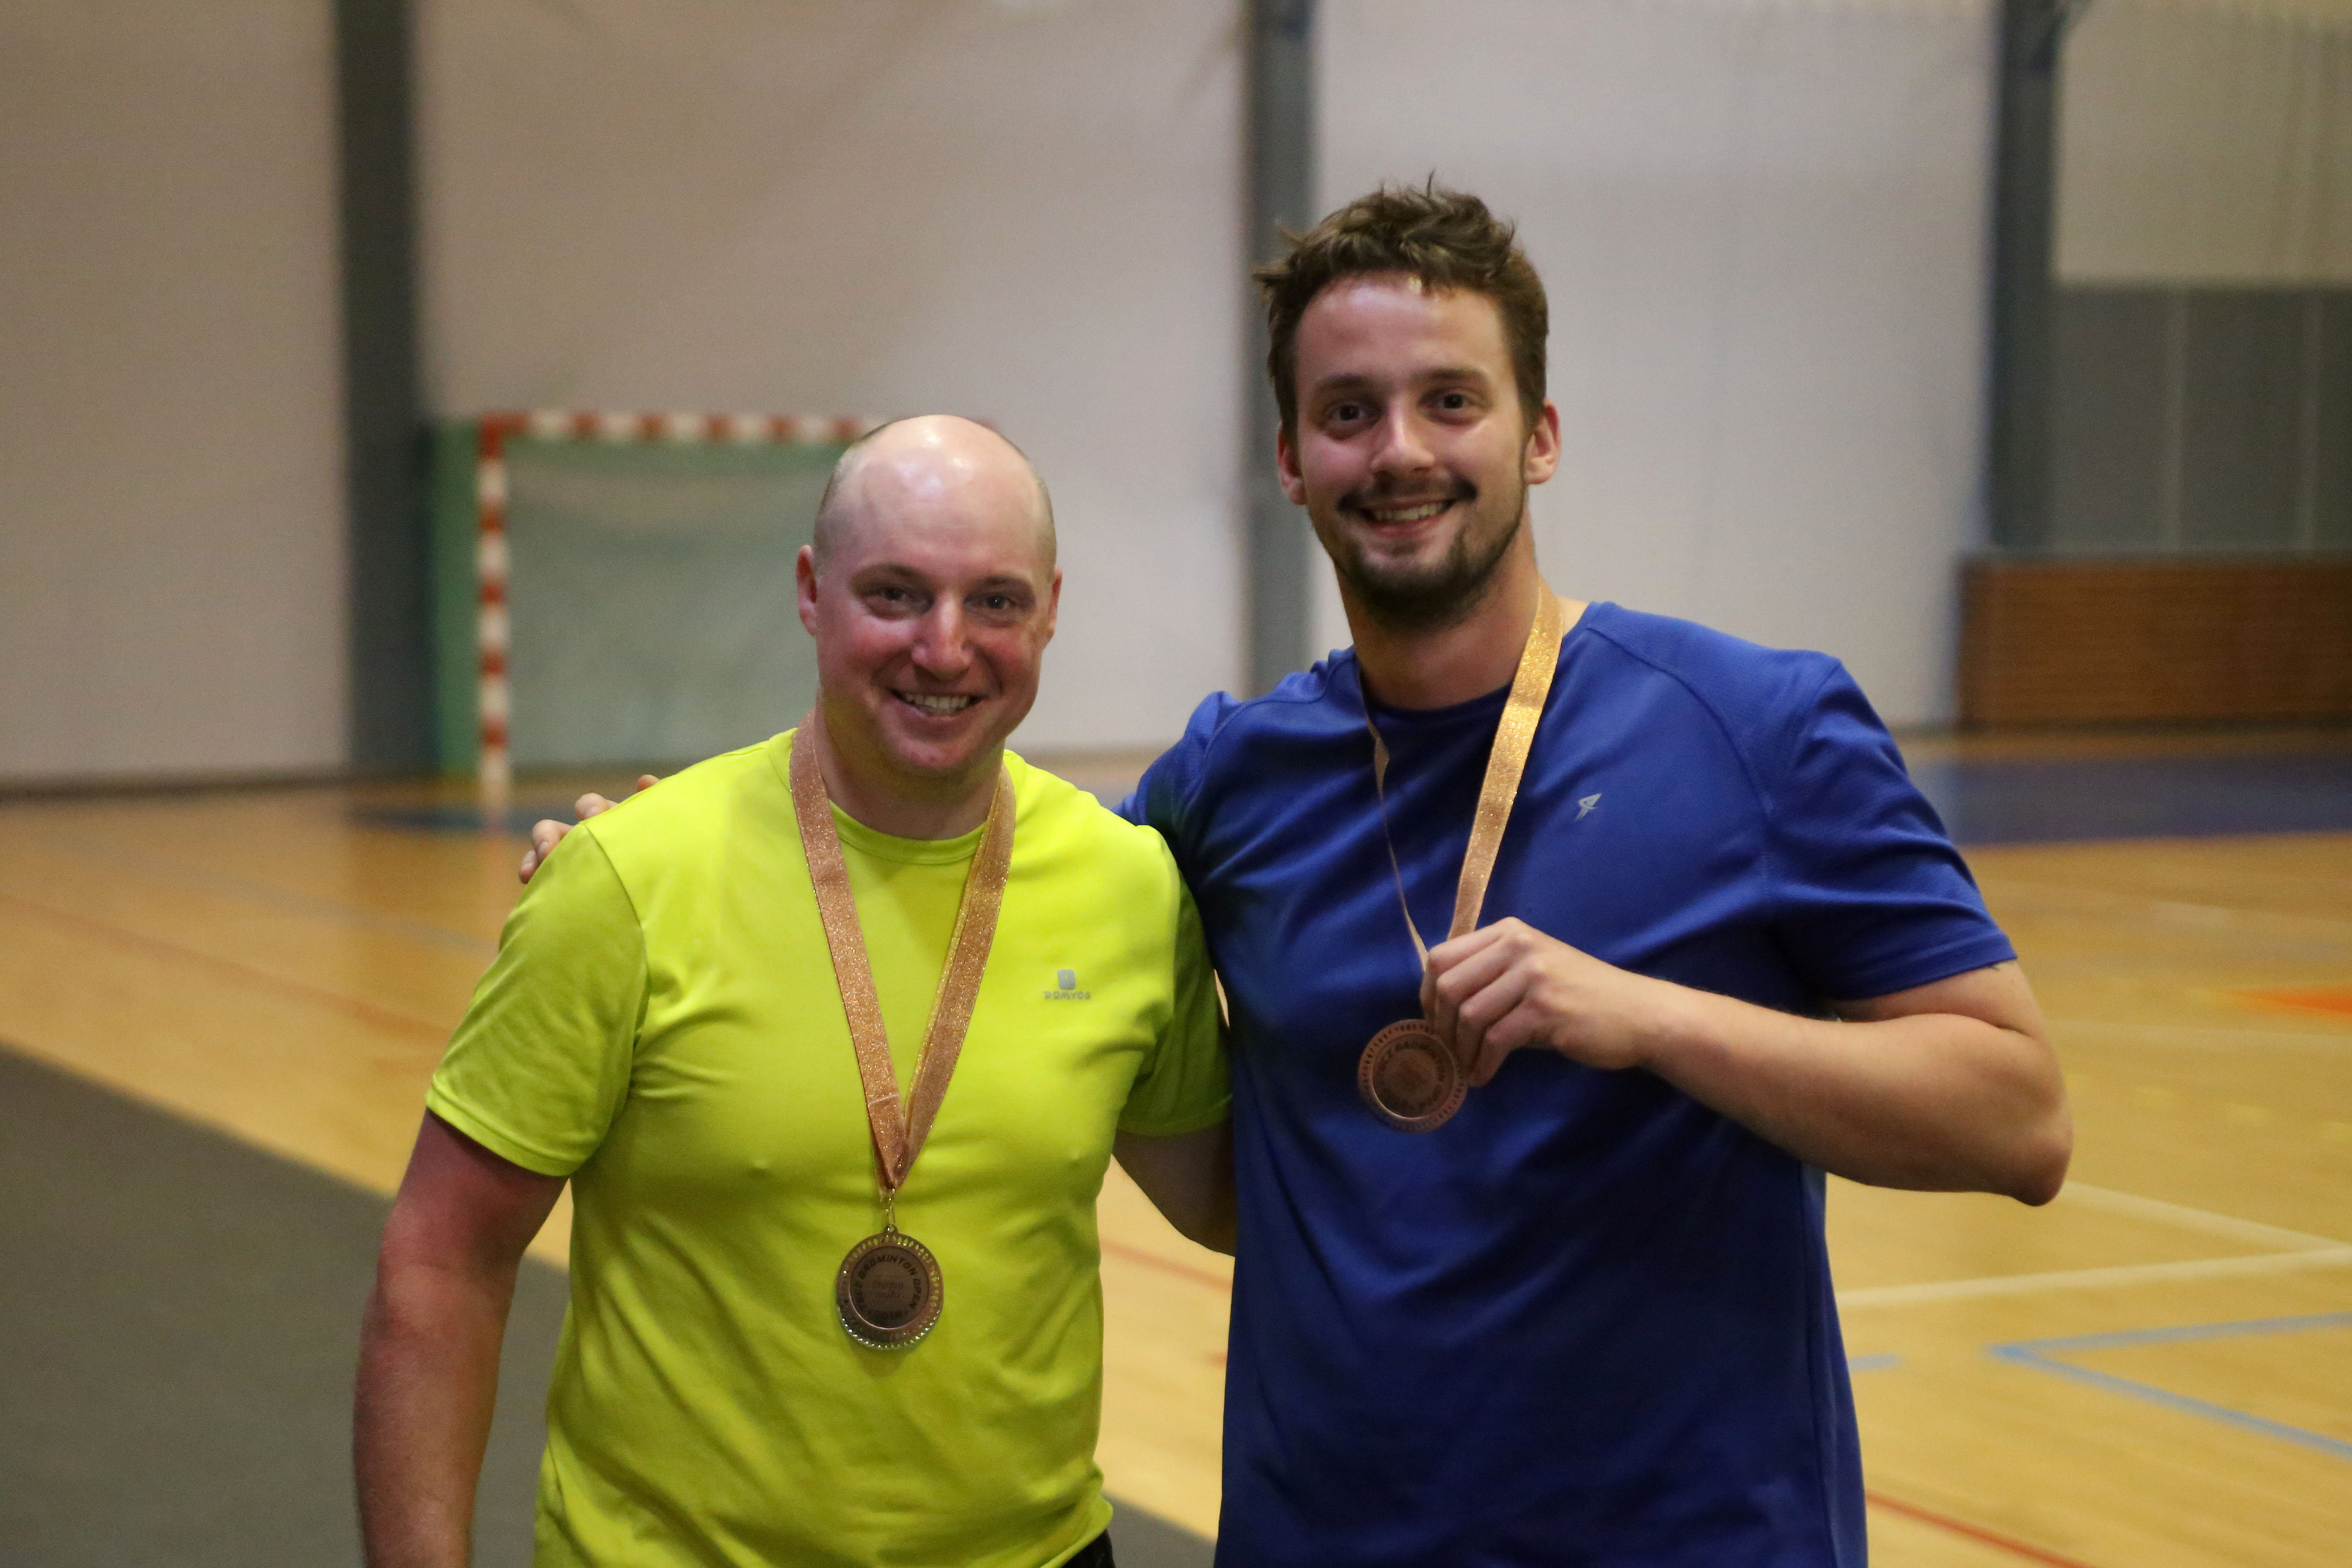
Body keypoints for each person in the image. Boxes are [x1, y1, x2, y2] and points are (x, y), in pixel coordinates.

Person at [530, 188, 2072, 1565]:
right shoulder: (1229, 782)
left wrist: (1655, 1019)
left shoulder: (1758, 729)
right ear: (1291, 461)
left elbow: (2018, 1117)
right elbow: (981, 882)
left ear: (1539, 435)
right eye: (1348, 412)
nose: (1399, 451)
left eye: (1450, 400)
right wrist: (675, 847)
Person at [357, 415, 1233, 1568]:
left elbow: (1231, 1201)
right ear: (813, 592)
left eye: (995, 601)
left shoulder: (1130, 888)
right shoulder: (629, 879)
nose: (945, 647)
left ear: (1051, 610)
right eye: (896, 595)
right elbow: (441, 1264)